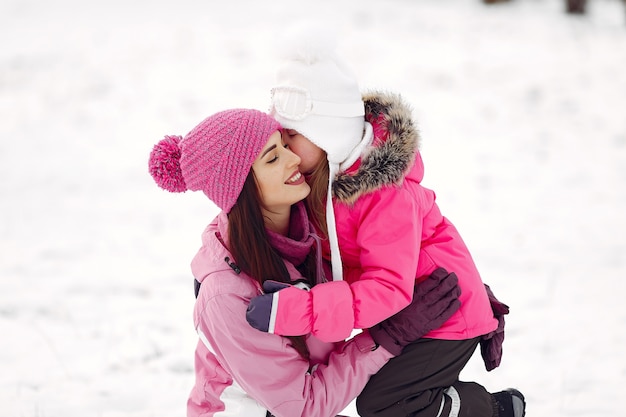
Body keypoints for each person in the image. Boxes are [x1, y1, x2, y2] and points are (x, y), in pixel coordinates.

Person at [244, 37, 526, 417]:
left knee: (385, 404)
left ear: (327, 134)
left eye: (292, 136)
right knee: (378, 392)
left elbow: (387, 286)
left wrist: (302, 309)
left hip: (443, 310)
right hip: (402, 312)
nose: (287, 150)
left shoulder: (384, 197)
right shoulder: (320, 182)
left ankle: (492, 409)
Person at [148, 108, 462, 417]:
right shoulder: (225, 296)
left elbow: (376, 265)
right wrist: (387, 338)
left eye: (285, 144)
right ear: (241, 190)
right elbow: (303, 407)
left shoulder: (310, 232)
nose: (293, 159)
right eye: (273, 158)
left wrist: (453, 284)